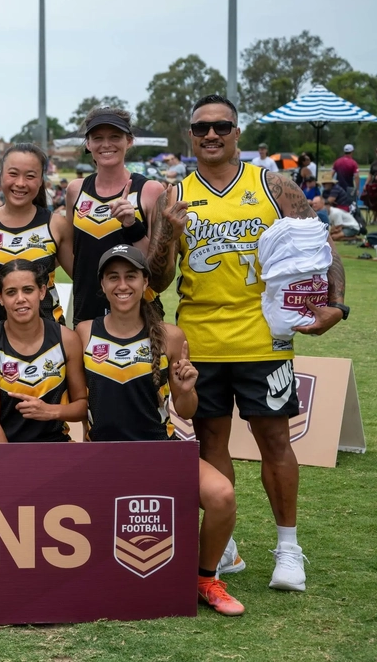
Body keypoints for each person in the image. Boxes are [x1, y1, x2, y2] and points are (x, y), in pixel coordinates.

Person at [147, 93, 347, 592]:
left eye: (221, 126)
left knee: (274, 440)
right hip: (201, 340)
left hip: (265, 336)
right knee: (211, 441)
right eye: (200, 128)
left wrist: (337, 305)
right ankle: (226, 543)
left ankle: (288, 547)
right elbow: (157, 276)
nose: (210, 135)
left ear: (237, 132)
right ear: (189, 137)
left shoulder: (272, 184)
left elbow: (319, 248)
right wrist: (168, 235)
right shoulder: (173, 195)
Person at [78, 245, 244, 617]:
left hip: (160, 451)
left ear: (145, 282)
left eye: (131, 276)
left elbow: (186, 410)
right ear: (102, 284)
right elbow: (79, 400)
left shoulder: (170, 335)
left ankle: (205, 579)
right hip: (101, 456)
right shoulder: (84, 332)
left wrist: (186, 390)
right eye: (113, 277)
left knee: (222, 495)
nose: (123, 285)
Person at [65, 107, 165, 326]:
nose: (106, 144)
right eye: (97, 138)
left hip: (141, 314)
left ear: (129, 141)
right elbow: (74, 254)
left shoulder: (150, 190)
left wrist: (131, 224)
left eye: (115, 137)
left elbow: (156, 268)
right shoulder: (75, 190)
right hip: (87, 312)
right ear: (88, 144)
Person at [0, 260, 87, 442]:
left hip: (56, 445)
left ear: (42, 292)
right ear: (0, 298)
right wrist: (9, 466)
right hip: (5, 448)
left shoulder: (67, 339)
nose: (20, 299)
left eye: (28, 290)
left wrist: (50, 411)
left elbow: (82, 406)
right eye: (11, 292)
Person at [0, 143, 72, 332]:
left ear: (41, 181)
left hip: (50, 339)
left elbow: (83, 279)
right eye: (13, 174)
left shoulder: (57, 225)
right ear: (0, 176)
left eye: (30, 176)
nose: (20, 183)